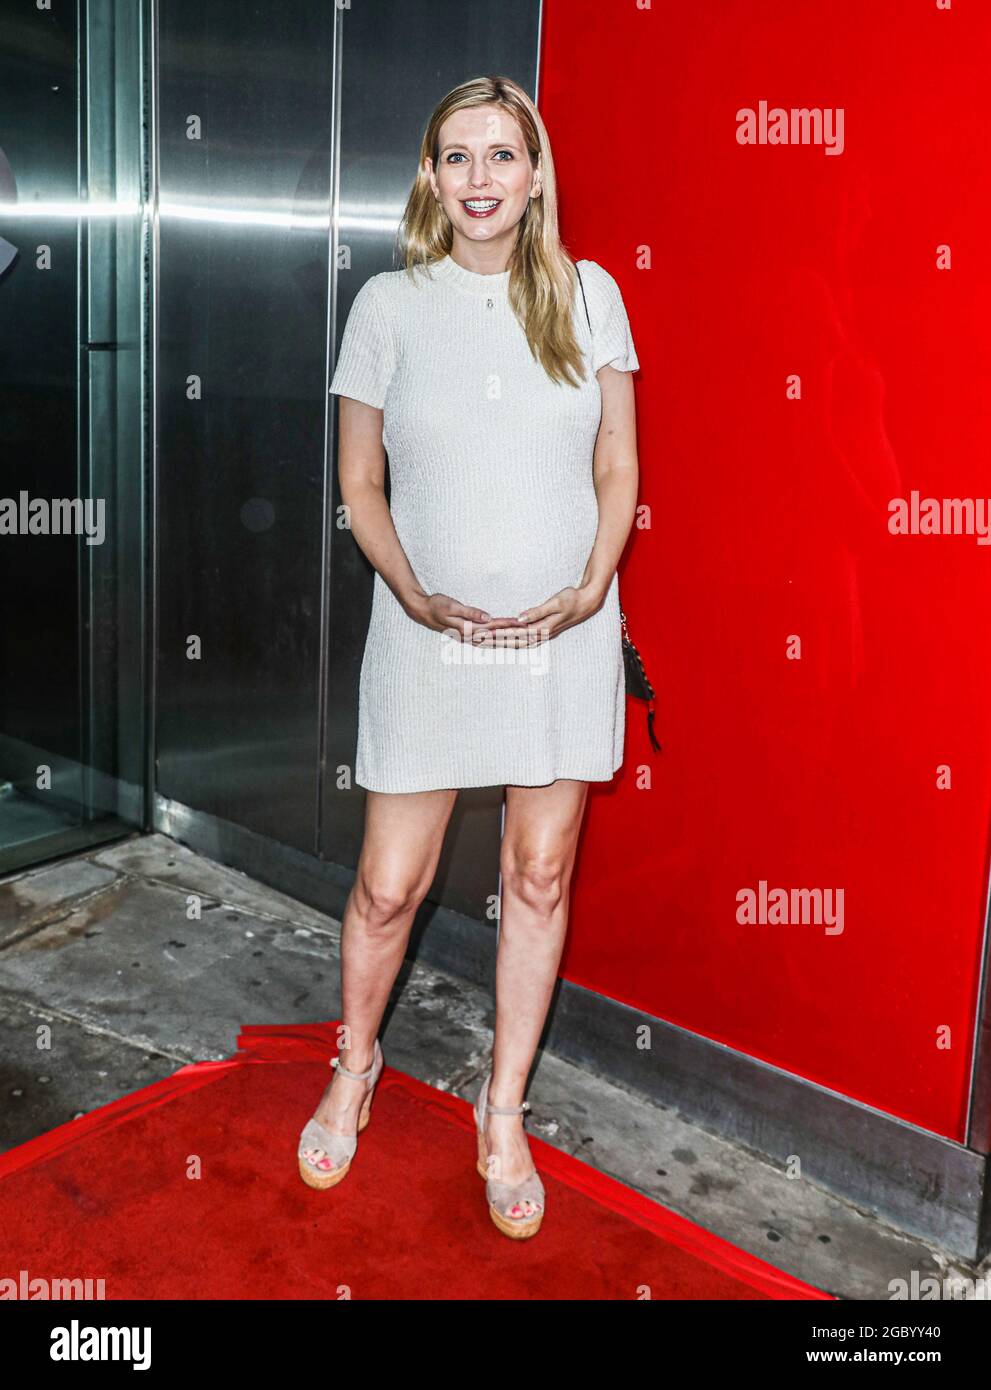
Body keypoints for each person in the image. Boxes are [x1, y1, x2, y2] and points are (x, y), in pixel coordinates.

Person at [298, 74, 640, 1240]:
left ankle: (503, 1112)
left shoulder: (590, 297)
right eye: (458, 156)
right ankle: (356, 1064)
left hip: (560, 639)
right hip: (426, 639)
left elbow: (616, 465)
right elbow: (358, 483)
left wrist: (593, 583)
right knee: (390, 883)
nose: (481, 177)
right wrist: (412, 590)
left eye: (503, 154)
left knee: (538, 877)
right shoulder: (387, 306)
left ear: (536, 174)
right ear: (431, 177)